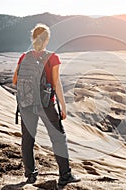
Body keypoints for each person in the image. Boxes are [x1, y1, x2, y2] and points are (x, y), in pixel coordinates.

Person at [13, 23, 80, 186]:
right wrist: (63, 106)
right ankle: (65, 175)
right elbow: (56, 84)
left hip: (27, 104)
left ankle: (30, 175)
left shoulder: (24, 57)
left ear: (33, 38)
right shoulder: (53, 58)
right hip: (46, 104)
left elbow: (15, 80)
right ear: (47, 40)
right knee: (58, 138)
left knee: (27, 140)